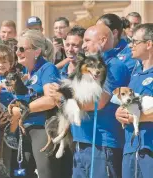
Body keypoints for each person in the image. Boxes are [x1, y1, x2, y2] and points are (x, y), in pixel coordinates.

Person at [50, 24, 130, 177]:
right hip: (81, 143)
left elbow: (98, 102)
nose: (83, 45)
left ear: (103, 40)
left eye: (87, 40)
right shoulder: (86, 65)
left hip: (102, 144)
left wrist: (63, 97)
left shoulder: (114, 66)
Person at [11, 29, 71, 178]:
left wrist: (24, 110)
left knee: (47, 174)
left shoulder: (47, 69)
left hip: (43, 130)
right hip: (26, 130)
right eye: (16, 49)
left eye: (22, 49)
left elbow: (51, 100)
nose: (18, 52)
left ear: (37, 52)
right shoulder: (27, 73)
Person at [115, 23, 153, 178]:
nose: (131, 45)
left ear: (149, 44)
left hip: (149, 150)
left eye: (135, 42)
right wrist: (119, 113)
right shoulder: (135, 74)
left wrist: (134, 117)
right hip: (131, 149)